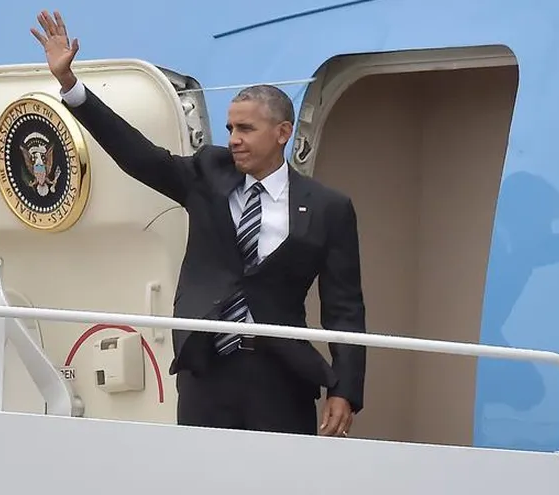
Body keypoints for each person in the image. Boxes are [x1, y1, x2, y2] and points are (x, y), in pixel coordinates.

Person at [30, 10, 367, 437]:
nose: (235, 138)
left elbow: (345, 309)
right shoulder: (209, 173)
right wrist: (71, 87)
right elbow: (138, 156)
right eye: (230, 127)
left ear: (282, 132)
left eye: (246, 128)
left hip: (283, 376)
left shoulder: (328, 207)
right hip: (206, 369)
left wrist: (346, 388)